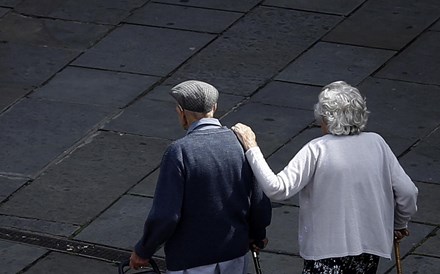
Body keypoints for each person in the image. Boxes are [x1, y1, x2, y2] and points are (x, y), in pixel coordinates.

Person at [232, 81, 418, 273]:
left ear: (326, 118)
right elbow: (408, 192)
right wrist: (398, 223)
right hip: (369, 247)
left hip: (326, 251)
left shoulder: (318, 149)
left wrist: (251, 147)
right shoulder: (377, 143)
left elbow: (277, 189)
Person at [130, 80, 272, 273]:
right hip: (234, 256)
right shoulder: (240, 142)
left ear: (181, 112)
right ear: (214, 107)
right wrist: (258, 234)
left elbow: (166, 215)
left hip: (191, 260)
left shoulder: (179, 151)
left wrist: (144, 250)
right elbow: (259, 199)